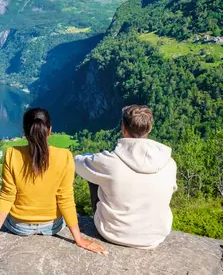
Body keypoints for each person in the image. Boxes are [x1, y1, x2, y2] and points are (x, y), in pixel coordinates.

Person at [0, 108, 105, 255]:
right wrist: (79, 239)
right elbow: (65, 199)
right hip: (52, 226)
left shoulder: (12, 154)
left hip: (19, 226)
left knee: (8, 214)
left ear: (25, 132)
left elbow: (7, 195)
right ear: (49, 130)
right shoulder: (64, 156)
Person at [75, 105, 177, 249]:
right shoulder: (169, 163)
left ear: (123, 128)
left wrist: (88, 157)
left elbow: (78, 163)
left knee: (93, 172)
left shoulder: (109, 162)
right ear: (150, 128)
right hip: (155, 236)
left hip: (112, 232)